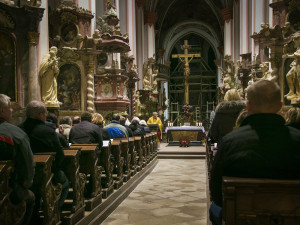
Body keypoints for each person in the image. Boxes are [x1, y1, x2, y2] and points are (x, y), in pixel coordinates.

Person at [209, 80, 300, 225]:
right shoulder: (297, 140)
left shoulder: (230, 142)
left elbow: (216, 193)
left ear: (248, 106)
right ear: (280, 106)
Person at [19, 100, 69, 221]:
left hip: (23, 174)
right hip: (46, 173)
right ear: (40, 114)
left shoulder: (19, 129)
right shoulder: (48, 132)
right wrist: (54, 169)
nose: (46, 116)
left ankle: (33, 214)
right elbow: (60, 154)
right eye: (45, 114)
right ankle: (54, 210)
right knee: (65, 183)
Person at [0, 94, 35, 225]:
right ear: (2, 111)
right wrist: (25, 184)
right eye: (10, 107)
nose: (12, 110)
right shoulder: (15, 133)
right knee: (30, 198)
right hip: (8, 188)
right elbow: (27, 165)